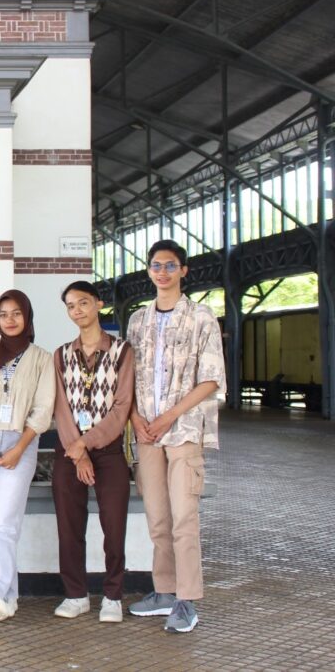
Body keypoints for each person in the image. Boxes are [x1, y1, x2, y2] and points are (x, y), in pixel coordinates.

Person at [126, 240, 225, 633]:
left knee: (184, 517)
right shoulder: (138, 320)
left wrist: (169, 416)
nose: (162, 272)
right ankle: (164, 591)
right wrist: (135, 418)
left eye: (170, 265)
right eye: (156, 265)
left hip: (182, 430)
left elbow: (211, 379)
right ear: (149, 270)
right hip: (147, 433)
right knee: (157, 517)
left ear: (183, 270)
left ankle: (187, 600)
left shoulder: (201, 317)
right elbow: (127, 379)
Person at [0, 290, 55, 626]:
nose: (10, 319)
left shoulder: (42, 359)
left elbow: (43, 408)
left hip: (21, 441)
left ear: (27, 316)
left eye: (16, 313)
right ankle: (8, 593)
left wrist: (20, 447)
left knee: (2, 522)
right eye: (3, 314)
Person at [51, 281, 135, 623]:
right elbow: (60, 408)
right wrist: (77, 451)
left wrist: (87, 444)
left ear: (98, 304)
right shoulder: (61, 354)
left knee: (114, 526)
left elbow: (122, 407)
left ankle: (113, 595)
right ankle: (76, 595)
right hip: (69, 450)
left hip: (108, 449)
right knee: (69, 526)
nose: (77, 311)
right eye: (71, 306)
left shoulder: (121, 351)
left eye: (83, 303)